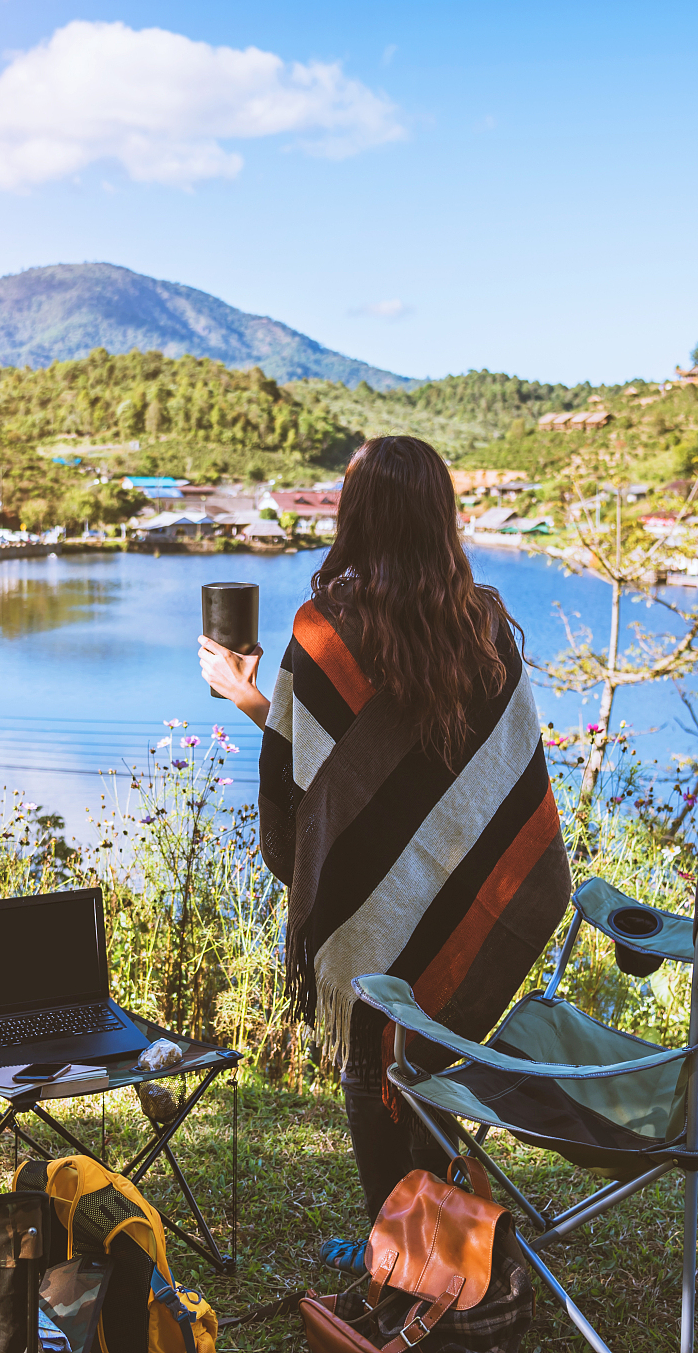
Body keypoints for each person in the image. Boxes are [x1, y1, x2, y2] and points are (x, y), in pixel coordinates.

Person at [200, 435, 570, 1220]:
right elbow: (382, 779)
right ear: (442, 517)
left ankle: (398, 1250)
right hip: (466, 899)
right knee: (430, 1063)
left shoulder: (325, 632)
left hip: (373, 908)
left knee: (370, 1067)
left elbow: (311, 800)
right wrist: (262, 704)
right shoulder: (487, 629)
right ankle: (427, 1238)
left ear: (358, 516)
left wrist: (245, 694)